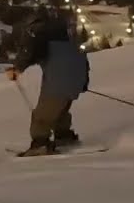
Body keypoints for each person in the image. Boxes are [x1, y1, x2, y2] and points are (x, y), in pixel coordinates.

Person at [6, 9, 90, 156]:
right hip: (77, 75)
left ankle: (40, 144)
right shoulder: (65, 34)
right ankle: (63, 136)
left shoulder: (39, 33)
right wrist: (82, 81)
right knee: (60, 108)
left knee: (42, 116)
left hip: (59, 78)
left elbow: (31, 52)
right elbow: (80, 57)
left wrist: (17, 68)